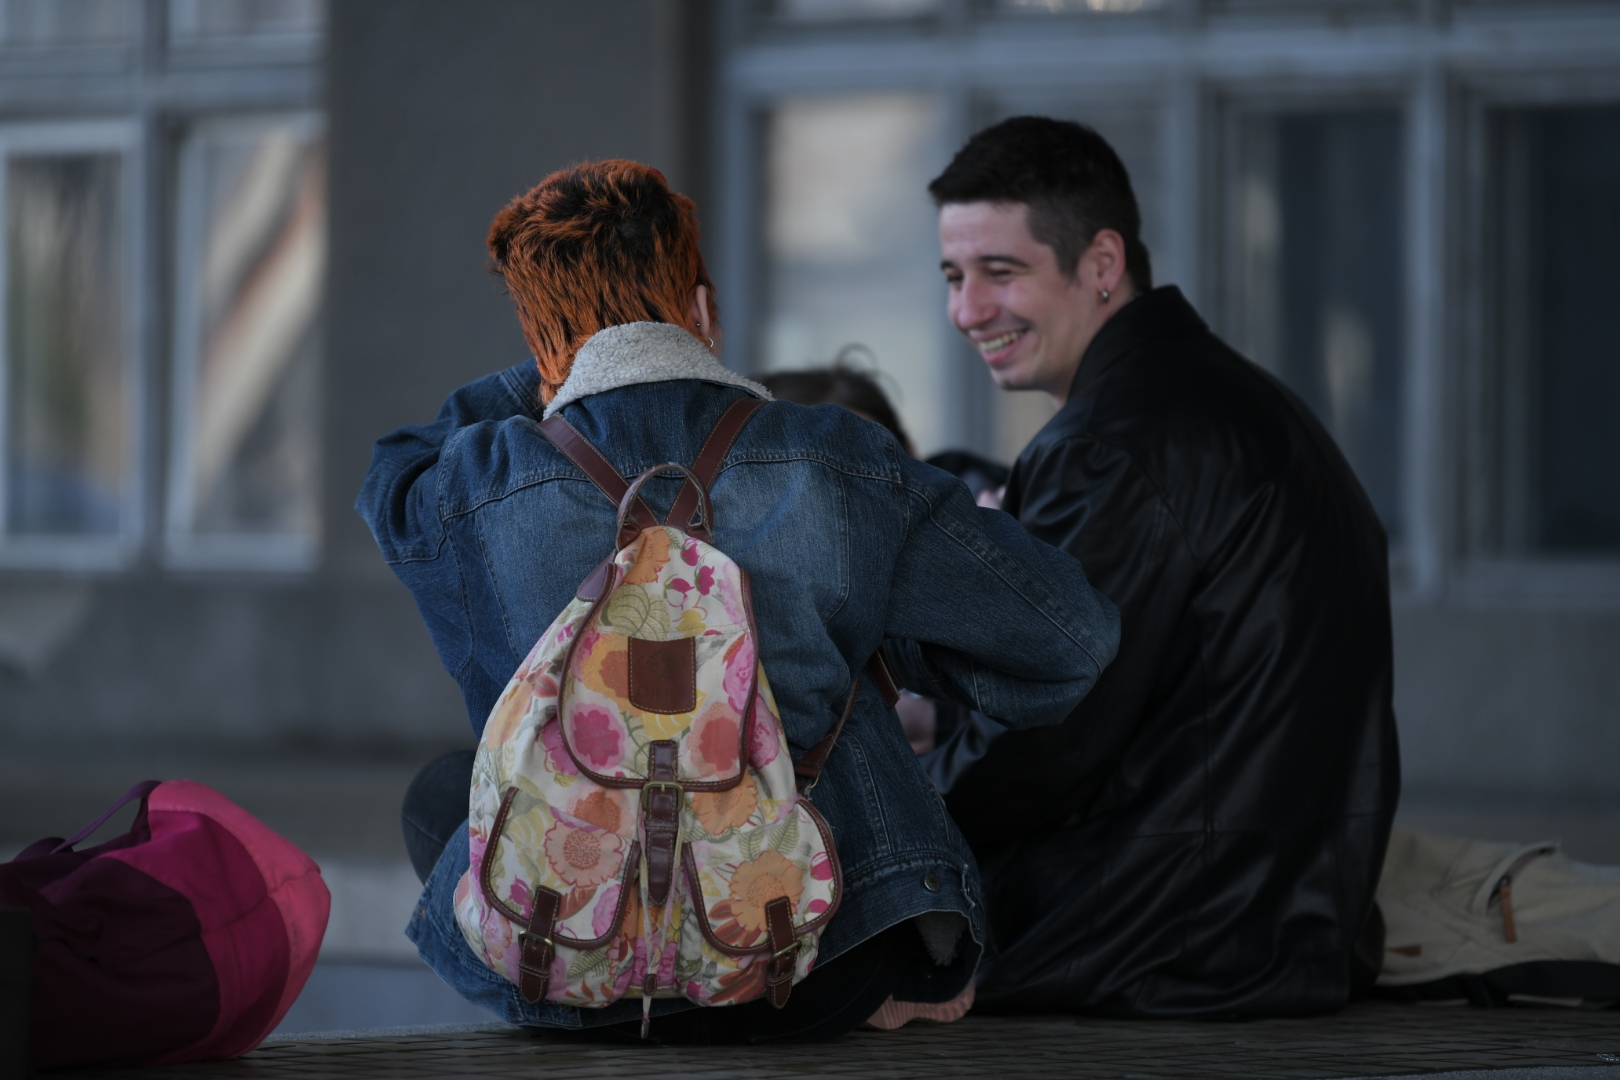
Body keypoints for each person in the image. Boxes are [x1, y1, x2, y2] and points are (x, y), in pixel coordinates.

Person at [356, 159, 1121, 1041]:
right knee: (835, 662)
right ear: (703, 308)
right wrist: (891, 650)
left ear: (538, 347)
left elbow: (391, 469)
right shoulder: (840, 458)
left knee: (441, 792)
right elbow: (1069, 644)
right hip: (816, 963)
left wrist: (554, 360)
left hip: (566, 967)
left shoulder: (466, 485)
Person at [917, 116, 1400, 1017]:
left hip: (1149, 938)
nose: (967, 311)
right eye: (953, 276)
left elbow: (1046, 736)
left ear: (1102, 264)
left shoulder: (1109, 444)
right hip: (1277, 926)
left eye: (1001, 272)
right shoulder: (1239, 400)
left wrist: (868, 821)